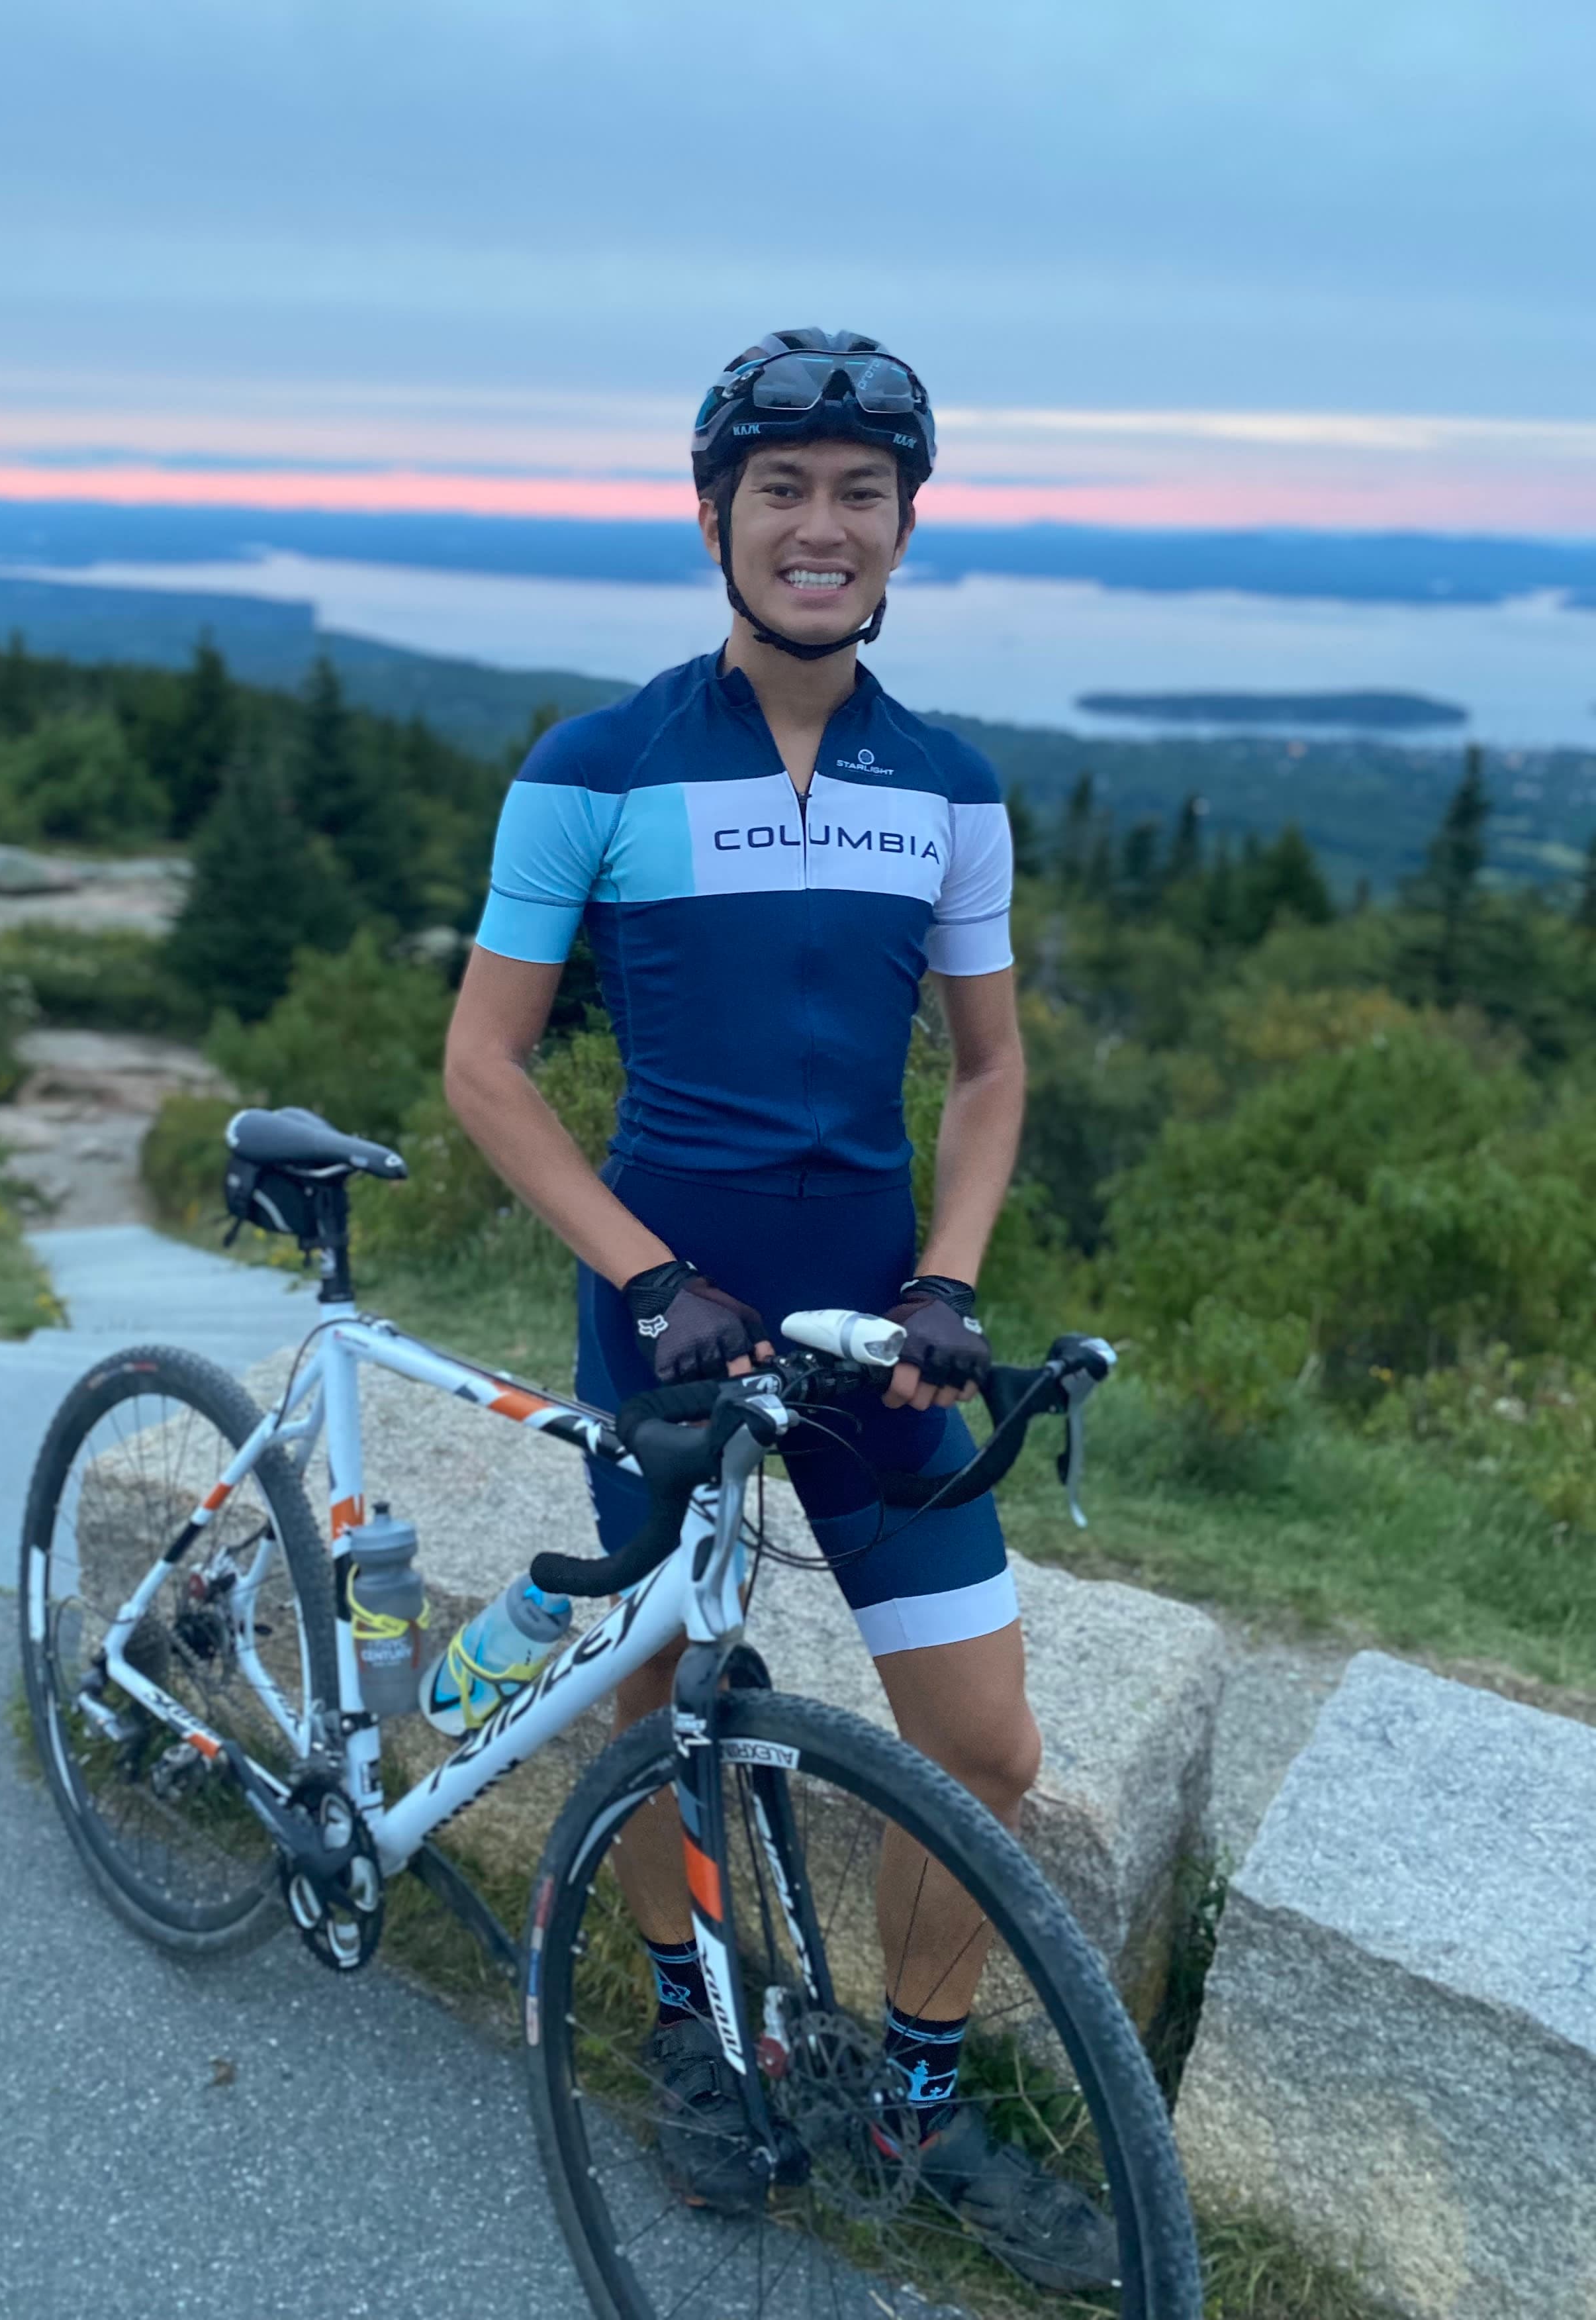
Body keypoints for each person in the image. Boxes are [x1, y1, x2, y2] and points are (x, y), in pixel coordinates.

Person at [443, 328, 1113, 2288]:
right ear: (716, 517)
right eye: (783, 490)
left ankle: (916, 2101)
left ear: (905, 527)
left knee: (985, 1745)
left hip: (875, 1337)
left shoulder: (951, 788)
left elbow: (987, 1071)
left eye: (860, 494)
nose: (822, 526)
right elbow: (486, 1067)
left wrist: (951, 1277)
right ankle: (691, 2030)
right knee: (659, 1693)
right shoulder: (594, 766)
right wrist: (646, 1274)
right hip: (667, 1316)